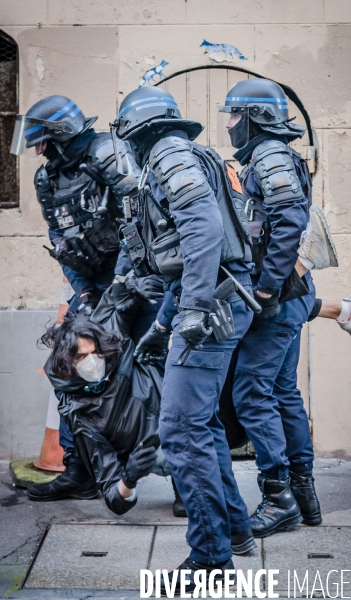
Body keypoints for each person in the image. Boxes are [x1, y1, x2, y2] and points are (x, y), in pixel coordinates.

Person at [219, 77, 351, 537]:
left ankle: (278, 499)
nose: (229, 124)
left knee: (252, 396)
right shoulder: (267, 155)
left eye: (233, 114)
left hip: (276, 302)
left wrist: (268, 288)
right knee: (282, 394)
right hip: (293, 299)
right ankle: (304, 497)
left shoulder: (269, 155)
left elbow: (290, 219)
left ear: (254, 117)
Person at [113, 85, 260, 593]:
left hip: (214, 303)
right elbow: (184, 260)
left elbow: (203, 232)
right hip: (213, 297)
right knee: (202, 424)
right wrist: (160, 327)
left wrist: (193, 310)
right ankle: (235, 530)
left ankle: (211, 560)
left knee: (179, 429)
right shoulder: (174, 155)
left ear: (134, 130)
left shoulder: (169, 155)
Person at [10, 96, 169, 504]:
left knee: (160, 372)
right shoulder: (47, 179)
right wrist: (84, 292)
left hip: (140, 276)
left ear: (60, 135)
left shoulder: (108, 152)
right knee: (69, 369)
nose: (37, 150)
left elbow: (139, 217)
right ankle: (79, 471)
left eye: (42, 141)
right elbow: (60, 241)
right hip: (95, 284)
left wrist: (122, 282)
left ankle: (186, 481)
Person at [34, 280, 167, 515]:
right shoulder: (80, 415)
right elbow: (114, 498)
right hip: (154, 449)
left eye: (95, 352)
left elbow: (114, 296)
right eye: (82, 356)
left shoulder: (111, 345)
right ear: (68, 363)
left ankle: (187, 489)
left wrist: (135, 287)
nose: (94, 360)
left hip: (174, 411)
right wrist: (129, 479)